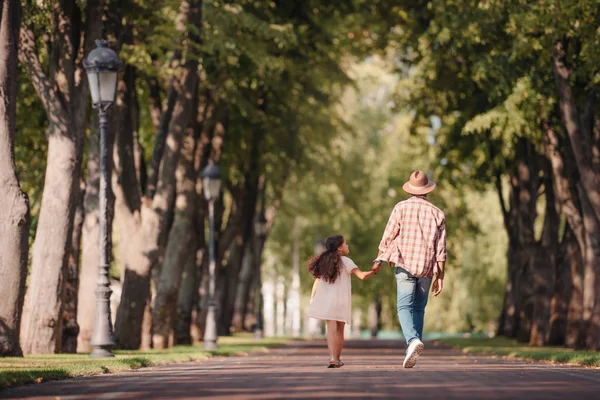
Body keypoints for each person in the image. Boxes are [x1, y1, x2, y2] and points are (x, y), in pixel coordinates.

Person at [371, 170, 447, 368]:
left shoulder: (400, 208)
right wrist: (441, 276)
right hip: (427, 268)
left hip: (404, 264)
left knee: (404, 307)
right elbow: (441, 249)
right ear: (427, 190)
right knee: (419, 309)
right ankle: (413, 348)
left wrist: (378, 259)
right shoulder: (437, 213)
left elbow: (388, 236)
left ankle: (412, 341)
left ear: (411, 189)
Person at [306, 235, 377, 368]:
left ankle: (332, 358)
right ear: (339, 248)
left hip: (328, 302)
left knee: (330, 330)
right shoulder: (346, 261)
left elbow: (317, 281)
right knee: (340, 331)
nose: (348, 246)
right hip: (342, 302)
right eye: (346, 244)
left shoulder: (325, 262)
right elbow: (361, 276)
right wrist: (374, 271)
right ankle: (338, 359)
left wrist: (312, 297)